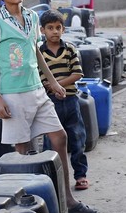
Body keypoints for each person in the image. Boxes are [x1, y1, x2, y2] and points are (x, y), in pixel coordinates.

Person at [0, 0, 99, 213]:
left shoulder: (32, 17)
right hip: (13, 94)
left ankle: (67, 200)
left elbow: (36, 50)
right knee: (23, 150)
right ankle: (26, 207)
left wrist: (53, 82)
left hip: (37, 89)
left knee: (60, 137)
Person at [38, 10, 90, 191]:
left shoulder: (69, 49)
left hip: (70, 101)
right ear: (42, 30)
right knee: (50, 142)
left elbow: (77, 73)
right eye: (50, 28)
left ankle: (80, 175)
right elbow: (39, 79)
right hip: (49, 103)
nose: (54, 31)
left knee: (77, 138)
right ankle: (52, 177)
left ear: (63, 29)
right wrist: (52, 87)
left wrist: (57, 85)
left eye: (58, 27)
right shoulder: (39, 52)